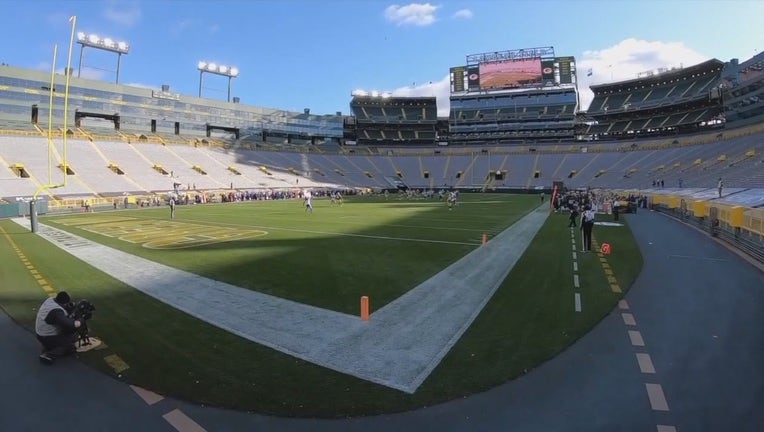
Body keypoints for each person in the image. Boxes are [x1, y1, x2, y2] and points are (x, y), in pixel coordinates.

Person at [35, 292, 82, 365]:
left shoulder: (50, 300)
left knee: (68, 335)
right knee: (69, 344)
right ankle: (48, 355)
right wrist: (81, 320)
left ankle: (48, 347)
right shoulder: (56, 312)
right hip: (46, 336)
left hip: (41, 333)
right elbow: (70, 325)